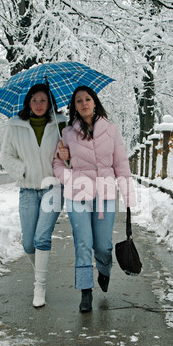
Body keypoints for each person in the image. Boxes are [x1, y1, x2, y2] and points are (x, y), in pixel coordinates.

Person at [53, 86, 136, 313]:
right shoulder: (67, 133)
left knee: (102, 246)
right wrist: (67, 171)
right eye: (78, 101)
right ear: (74, 106)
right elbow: (57, 165)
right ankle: (85, 290)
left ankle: (105, 270)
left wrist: (127, 193)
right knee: (83, 243)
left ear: (95, 102)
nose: (84, 103)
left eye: (87, 99)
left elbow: (121, 164)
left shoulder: (111, 130)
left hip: (105, 194)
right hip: (78, 193)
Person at [0, 83, 68, 308]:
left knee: (41, 238)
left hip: (53, 187)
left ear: (50, 103)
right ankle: (40, 268)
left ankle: (39, 286)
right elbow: (6, 156)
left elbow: (71, 156)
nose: (39, 105)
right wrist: (23, 169)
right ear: (28, 102)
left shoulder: (60, 124)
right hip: (27, 189)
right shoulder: (15, 125)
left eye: (43, 100)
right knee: (28, 244)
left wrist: (67, 156)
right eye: (34, 100)